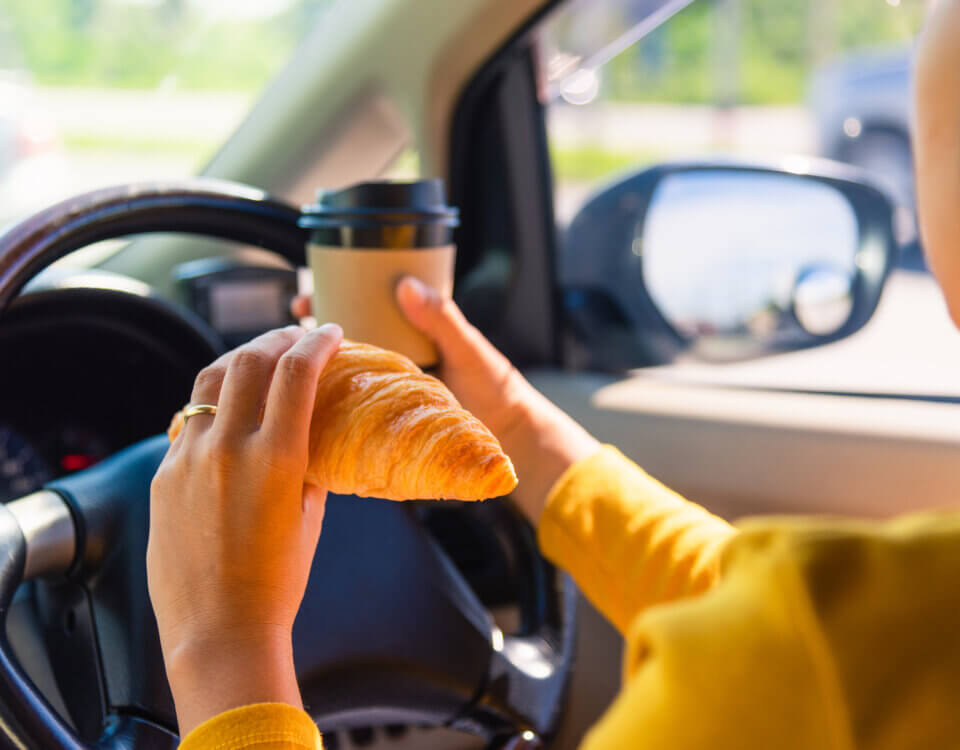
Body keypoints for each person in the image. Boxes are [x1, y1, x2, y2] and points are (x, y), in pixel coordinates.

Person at [148, 2, 960, 747]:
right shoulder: (869, 638)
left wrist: (225, 650)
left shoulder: (823, 663)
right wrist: (514, 429)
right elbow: (771, 610)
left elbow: (795, 641)